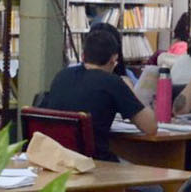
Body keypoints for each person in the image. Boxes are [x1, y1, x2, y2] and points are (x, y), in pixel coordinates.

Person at [39, 27, 156, 161]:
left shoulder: (62, 76)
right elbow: (150, 127)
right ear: (114, 59)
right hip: (96, 165)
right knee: (149, 180)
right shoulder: (113, 82)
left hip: (59, 161)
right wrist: (130, 91)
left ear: (84, 56)